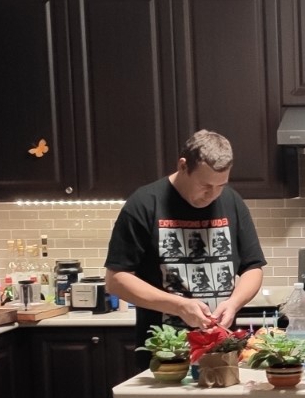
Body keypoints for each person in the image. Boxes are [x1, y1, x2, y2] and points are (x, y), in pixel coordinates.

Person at [105, 130, 266, 349]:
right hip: (163, 351)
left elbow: (253, 267)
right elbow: (116, 280)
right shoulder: (144, 204)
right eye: (205, 185)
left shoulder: (232, 202)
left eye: (221, 185)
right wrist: (179, 306)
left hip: (220, 349)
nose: (213, 195)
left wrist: (234, 303)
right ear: (183, 166)